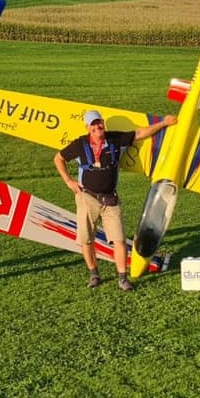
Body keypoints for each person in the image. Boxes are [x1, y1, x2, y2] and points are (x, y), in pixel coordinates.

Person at [54, 109, 178, 292]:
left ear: (102, 123)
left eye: (99, 123)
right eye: (93, 124)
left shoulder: (114, 139)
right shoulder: (80, 144)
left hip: (110, 199)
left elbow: (139, 133)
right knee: (87, 239)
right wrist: (68, 181)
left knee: (119, 240)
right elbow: (58, 158)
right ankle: (94, 274)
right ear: (88, 127)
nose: (97, 127)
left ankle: (122, 278)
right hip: (86, 197)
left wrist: (164, 123)